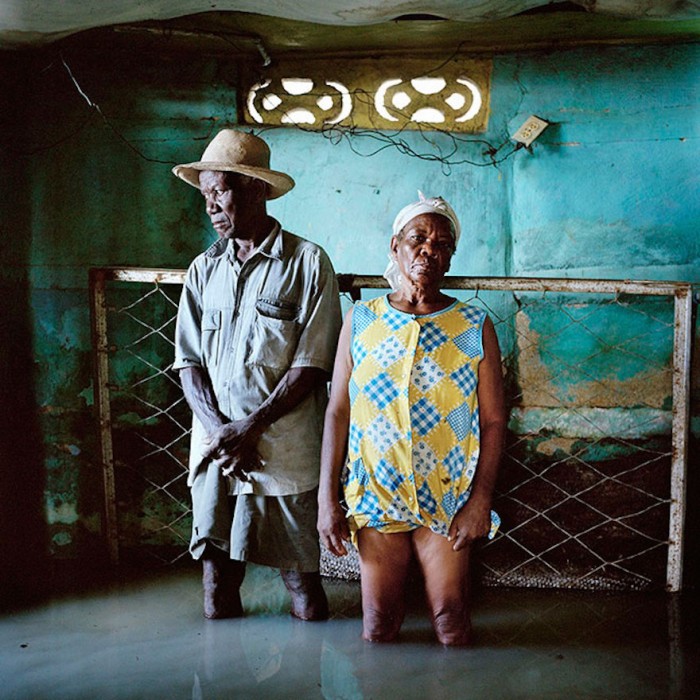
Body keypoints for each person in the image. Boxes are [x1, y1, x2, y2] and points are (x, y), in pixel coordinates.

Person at [318, 192, 505, 645]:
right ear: (395, 246)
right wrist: (327, 501)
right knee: (378, 627)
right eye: (418, 239)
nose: (428, 250)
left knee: (450, 623)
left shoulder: (472, 324)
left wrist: (480, 501)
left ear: (450, 256)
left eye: (442, 244)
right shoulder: (362, 319)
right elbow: (338, 410)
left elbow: (495, 420)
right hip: (377, 492)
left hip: (447, 496)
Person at [172, 129, 341, 621]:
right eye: (205, 193)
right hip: (218, 450)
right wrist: (221, 430)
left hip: (282, 450)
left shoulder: (307, 263)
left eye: (219, 190)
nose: (210, 205)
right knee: (216, 584)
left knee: (305, 591)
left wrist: (251, 427)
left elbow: (312, 363)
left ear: (256, 189)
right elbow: (188, 362)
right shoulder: (203, 269)